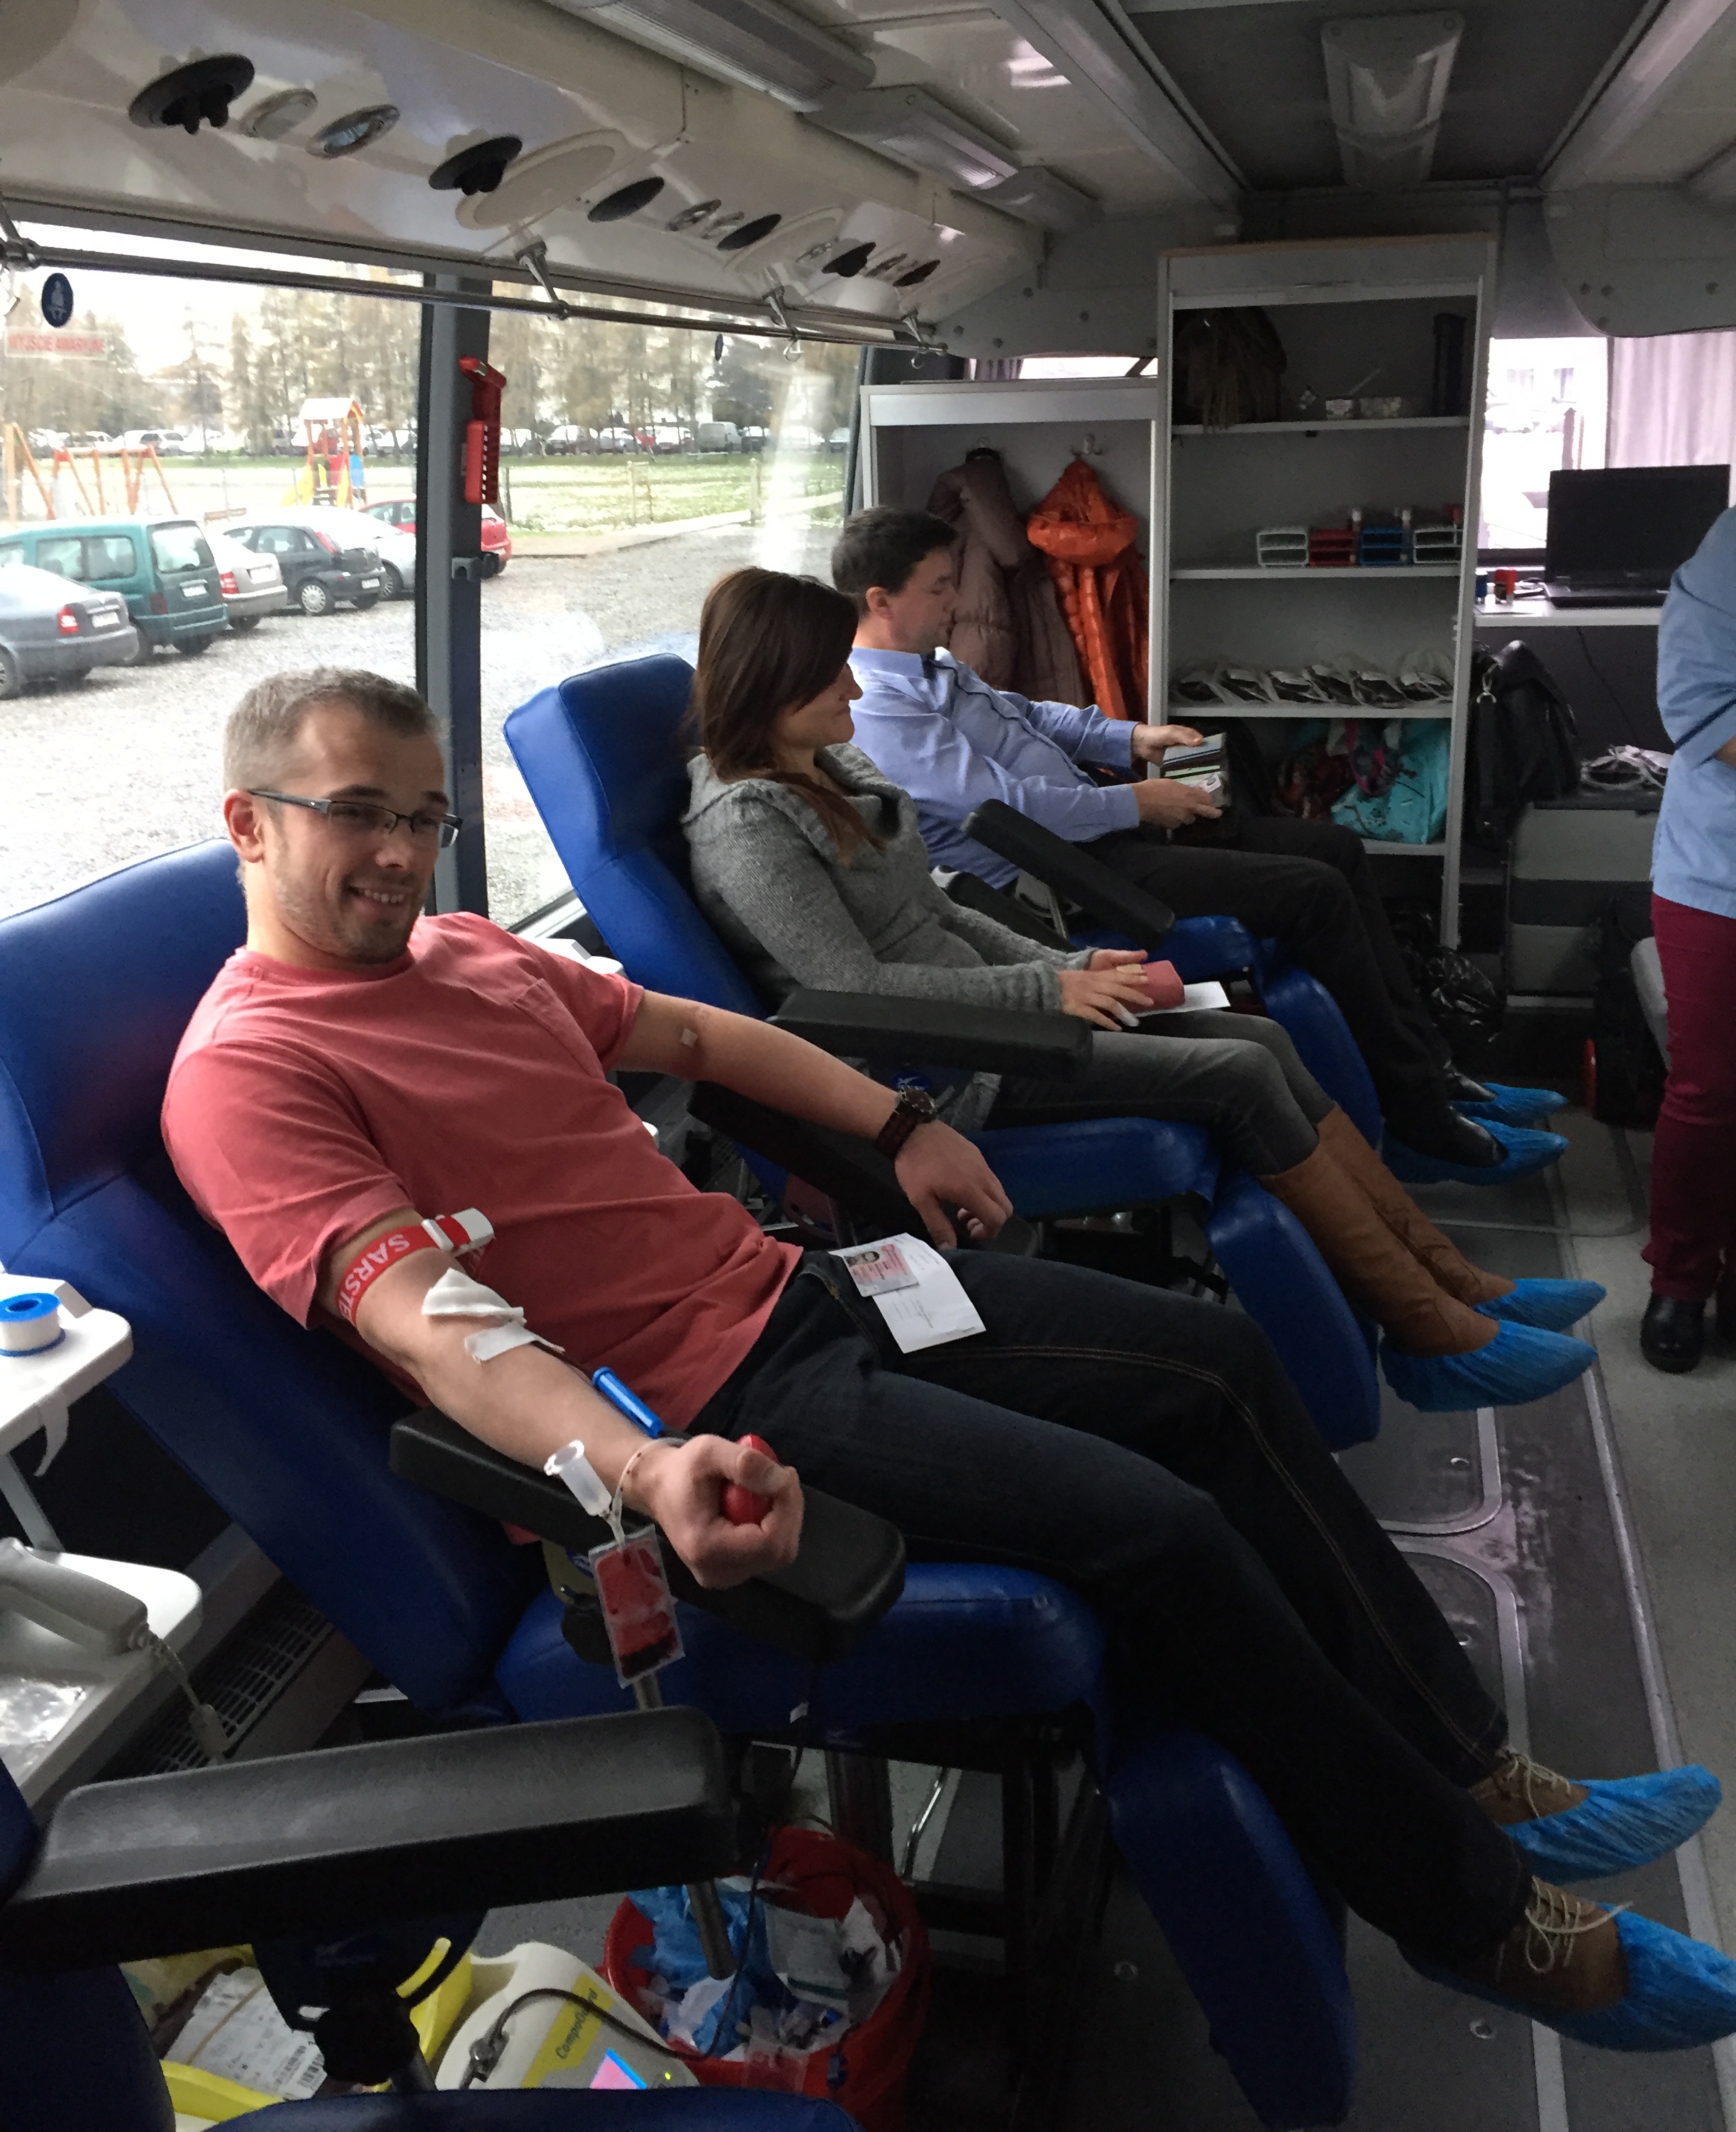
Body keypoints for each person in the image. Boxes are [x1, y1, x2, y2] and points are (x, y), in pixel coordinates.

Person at [160, 665, 1735, 2057]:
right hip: (719, 1406)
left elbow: (700, 1039)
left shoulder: (471, 954)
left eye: (423, 817)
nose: (400, 852)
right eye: (357, 813)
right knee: (1160, 1525)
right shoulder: (253, 1069)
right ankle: (1482, 1920)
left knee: (1213, 1363)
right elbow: (428, 1321)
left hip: (806, 1289)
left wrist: (900, 1122)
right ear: (249, 821)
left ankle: (1467, 1762)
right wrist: (643, 1465)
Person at [681, 565, 1601, 1414]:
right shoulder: (747, 823)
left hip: (998, 1010)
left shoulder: (834, 767)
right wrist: (1042, 997)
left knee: (1262, 1039)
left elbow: (940, 909)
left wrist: (1064, 968)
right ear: (773, 681)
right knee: (1238, 1074)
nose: (853, 688)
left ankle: (1449, 1280)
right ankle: (1429, 1333)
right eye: (831, 675)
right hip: (941, 1063)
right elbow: (856, 988)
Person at [834, 506, 1559, 1179]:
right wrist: (1134, 801)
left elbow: (1032, 716)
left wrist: (1133, 738)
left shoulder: (936, 666)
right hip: (1060, 880)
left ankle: (1430, 1069)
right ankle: (1417, 1119)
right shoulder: (880, 709)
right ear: (880, 601)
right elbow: (1010, 810)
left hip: (1101, 831)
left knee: (1334, 849)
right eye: (939, 588)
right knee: (1314, 893)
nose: (956, 601)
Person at [1641, 506, 1736, 1370]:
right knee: (1708, 1090)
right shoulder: (1731, 552)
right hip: (1721, 872)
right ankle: (1681, 1277)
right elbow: (1702, 707)